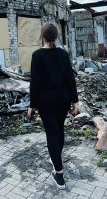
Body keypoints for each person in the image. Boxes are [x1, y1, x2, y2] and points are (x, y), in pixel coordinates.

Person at [27, 23, 79, 189]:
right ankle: (56, 157)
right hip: (62, 100)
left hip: (46, 102)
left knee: (52, 134)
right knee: (59, 130)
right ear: (56, 37)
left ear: (42, 36)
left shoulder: (37, 55)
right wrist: (75, 101)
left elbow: (35, 83)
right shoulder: (63, 54)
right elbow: (70, 79)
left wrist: (32, 105)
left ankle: (59, 174)